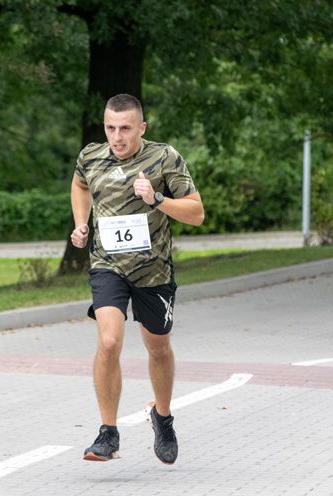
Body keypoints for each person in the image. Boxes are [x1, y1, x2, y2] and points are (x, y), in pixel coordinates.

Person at [70, 93, 204, 464]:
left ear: (141, 128)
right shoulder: (91, 156)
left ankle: (162, 418)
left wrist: (157, 199)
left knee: (158, 346)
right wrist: (81, 223)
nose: (117, 136)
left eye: (125, 128)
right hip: (107, 265)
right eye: (110, 128)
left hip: (153, 271)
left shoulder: (164, 158)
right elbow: (80, 185)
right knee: (109, 341)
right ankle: (107, 434)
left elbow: (196, 213)